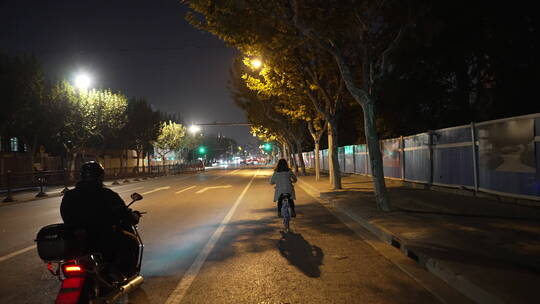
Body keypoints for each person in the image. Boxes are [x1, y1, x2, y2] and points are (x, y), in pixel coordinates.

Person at [60, 161, 140, 281]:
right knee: (130, 241)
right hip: (102, 238)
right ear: (100, 176)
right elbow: (123, 213)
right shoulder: (107, 195)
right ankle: (121, 271)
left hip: (78, 239)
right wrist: (133, 217)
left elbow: (65, 215)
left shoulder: (69, 196)